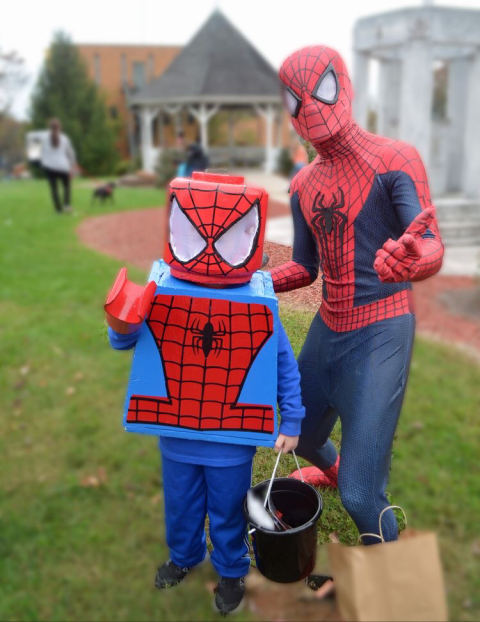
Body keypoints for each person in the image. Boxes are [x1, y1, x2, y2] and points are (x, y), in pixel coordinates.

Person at [105, 172, 305, 615]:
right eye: (197, 236)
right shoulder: (162, 289)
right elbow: (126, 341)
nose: (211, 249)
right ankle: (185, 556)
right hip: (175, 432)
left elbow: (281, 366)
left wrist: (291, 420)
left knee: (228, 508)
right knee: (181, 503)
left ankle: (231, 569)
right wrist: (123, 321)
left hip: (230, 440)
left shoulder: (257, 303)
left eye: (228, 238)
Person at [270, 46, 444, 544]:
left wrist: (415, 259)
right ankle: (336, 467)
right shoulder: (303, 184)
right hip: (330, 325)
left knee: (362, 496)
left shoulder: (394, 159)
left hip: (382, 327)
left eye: (319, 89)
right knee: (299, 432)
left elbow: (426, 240)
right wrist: (254, 280)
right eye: (294, 99)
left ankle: (395, 588)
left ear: (343, 86)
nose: (309, 108)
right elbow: (304, 268)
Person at [40, 119, 76, 213]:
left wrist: (43, 163)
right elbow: (70, 152)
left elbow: (42, 152)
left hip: (49, 166)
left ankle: (58, 209)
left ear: (49, 127)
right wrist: (72, 163)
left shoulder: (44, 138)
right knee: (66, 186)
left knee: (54, 189)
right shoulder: (64, 138)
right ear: (59, 127)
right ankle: (66, 205)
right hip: (62, 166)